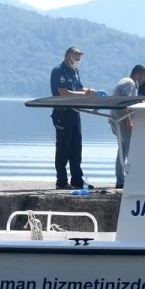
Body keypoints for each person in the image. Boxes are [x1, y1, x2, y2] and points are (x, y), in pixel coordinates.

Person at [49, 46, 99, 190]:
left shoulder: (75, 72)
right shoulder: (59, 71)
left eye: (80, 58)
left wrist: (89, 91)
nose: (78, 61)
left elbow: (79, 88)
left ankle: (77, 180)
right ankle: (62, 181)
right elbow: (63, 92)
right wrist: (84, 95)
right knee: (63, 147)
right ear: (68, 57)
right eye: (76, 58)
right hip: (62, 114)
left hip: (75, 112)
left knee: (76, 148)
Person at [109, 64, 145, 189]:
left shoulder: (126, 82)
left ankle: (121, 177)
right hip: (120, 120)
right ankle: (122, 178)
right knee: (128, 149)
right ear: (137, 74)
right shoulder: (129, 83)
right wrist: (128, 121)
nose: (144, 80)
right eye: (143, 76)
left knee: (123, 149)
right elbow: (123, 103)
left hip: (117, 119)